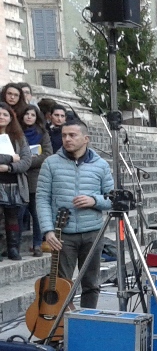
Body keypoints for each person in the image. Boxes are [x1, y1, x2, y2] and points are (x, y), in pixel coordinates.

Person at [35, 118, 114, 306]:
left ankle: (87, 321)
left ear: (85, 138)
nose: (67, 139)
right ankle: (61, 326)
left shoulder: (101, 165)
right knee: (61, 284)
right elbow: (42, 198)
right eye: (64, 135)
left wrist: (94, 200)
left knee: (91, 283)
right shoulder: (51, 163)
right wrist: (48, 230)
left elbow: (112, 199)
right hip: (63, 234)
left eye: (72, 135)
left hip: (92, 233)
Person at [0, 102, 32, 261]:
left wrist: (9, 167)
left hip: (14, 182)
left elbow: (26, 161)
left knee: (13, 216)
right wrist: (11, 158)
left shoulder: (19, 137)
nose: (2, 117)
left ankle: (13, 248)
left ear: (11, 117)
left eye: (5, 114)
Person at [19, 105, 51, 257]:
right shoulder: (16, 132)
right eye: (27, 114)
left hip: (35, 178)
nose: (29, 117)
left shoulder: (42, 133)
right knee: (18, 214)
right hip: (18, 177)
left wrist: (26, 161)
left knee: (37, 214)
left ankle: (38, 244)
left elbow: (47, 154)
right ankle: (15, 245)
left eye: (32, 114)